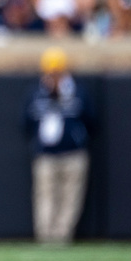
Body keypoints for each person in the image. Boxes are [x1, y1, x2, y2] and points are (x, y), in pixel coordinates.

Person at [24, 47, 92, 244]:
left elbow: (91, 120)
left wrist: (78, 137)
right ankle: (45, 236)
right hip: (45, 153)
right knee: (45, 195)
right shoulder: (36, 93)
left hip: (73, 153)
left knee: (71, 196)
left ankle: (63, 236)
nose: (53, 77)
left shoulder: (78, 93)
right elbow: (26, 121)